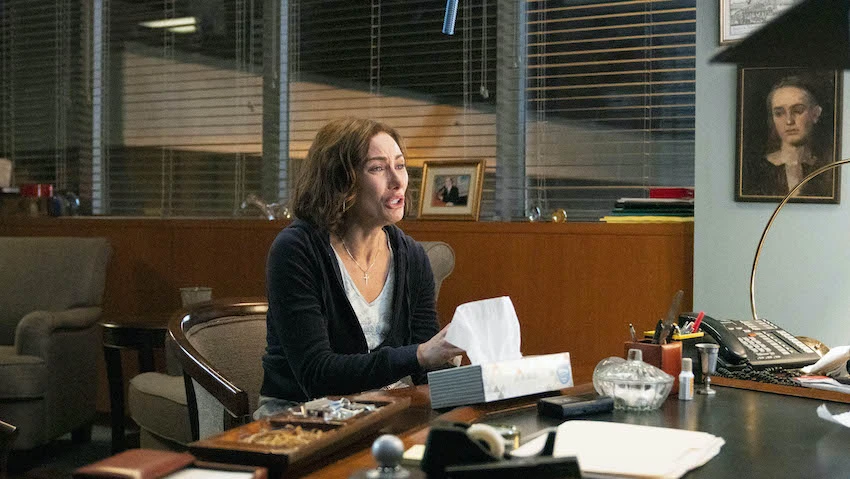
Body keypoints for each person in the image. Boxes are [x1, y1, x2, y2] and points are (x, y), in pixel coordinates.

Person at [255, 118, 464, 418]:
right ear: (341, 181)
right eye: (377, 168)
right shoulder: (296, 249)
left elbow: (425, 372)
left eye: (400, 165)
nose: (397, 180)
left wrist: (482, 374)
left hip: (381, 411)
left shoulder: (412, 256)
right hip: (298, 416)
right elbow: (317, 375)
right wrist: (419, 355)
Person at [743, 75, 834, 198]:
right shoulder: (756, 171)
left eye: (797, 111)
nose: (789, 121)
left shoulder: (827, 170)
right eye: (779, 113)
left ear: (815, 114)